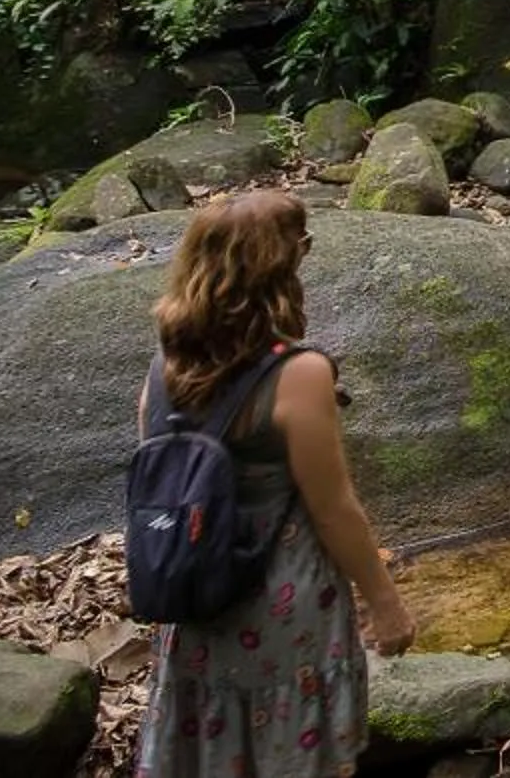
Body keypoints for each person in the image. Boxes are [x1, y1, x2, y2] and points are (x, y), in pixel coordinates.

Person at [135, 190, 412, 778]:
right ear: (277, 266)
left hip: (193, 587)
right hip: (279, 598)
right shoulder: (299, 374)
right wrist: (385, 604)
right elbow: (334, 508)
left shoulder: (165, 368)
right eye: (301, 245)